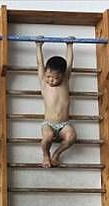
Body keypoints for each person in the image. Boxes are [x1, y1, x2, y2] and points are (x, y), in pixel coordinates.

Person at [36, 36, 77, 168]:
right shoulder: (44, 82)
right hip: (48, 124)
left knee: (71, 137)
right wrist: (38, 46)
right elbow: (39, 64)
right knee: (46, 138)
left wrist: (69, 45)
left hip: (64, 124)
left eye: (56, 78)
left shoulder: (65, 81)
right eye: (49, 76)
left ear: (63, 75)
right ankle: (46, 155)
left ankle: (57, 154)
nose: (51, 80)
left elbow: (69, 63)